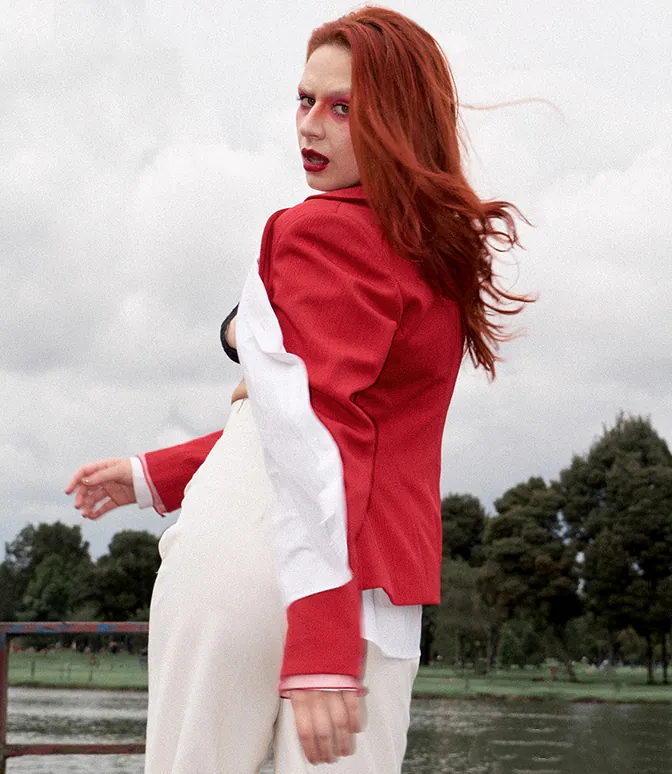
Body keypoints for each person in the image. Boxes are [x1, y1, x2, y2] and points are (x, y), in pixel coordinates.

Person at [66, 7, 532, 772]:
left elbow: (315, 428)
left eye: (343, 107)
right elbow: (312, 426)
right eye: (304, 99)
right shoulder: (433, 261)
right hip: (340, 577)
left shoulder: (322, 232)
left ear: (400, 120)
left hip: (277, 567)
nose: (311, 125)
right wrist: (162, 473)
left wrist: (319, 638)